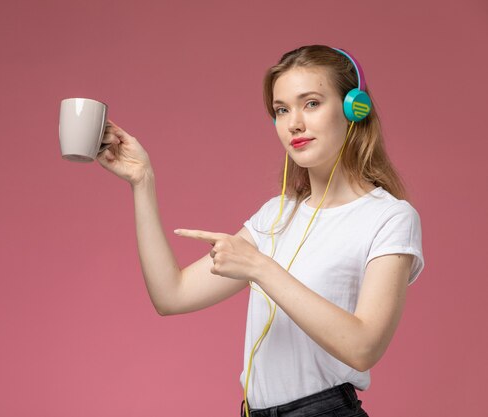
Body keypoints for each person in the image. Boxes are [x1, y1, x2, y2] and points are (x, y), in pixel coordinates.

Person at [95, 44, 424, 417]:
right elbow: (172, 296)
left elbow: (364, 347)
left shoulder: (390, 217)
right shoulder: (276, 216)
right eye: (282, 110)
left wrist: (260, 267)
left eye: (311, 103)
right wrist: (142, 181)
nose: (294, 123)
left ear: (354, 108)